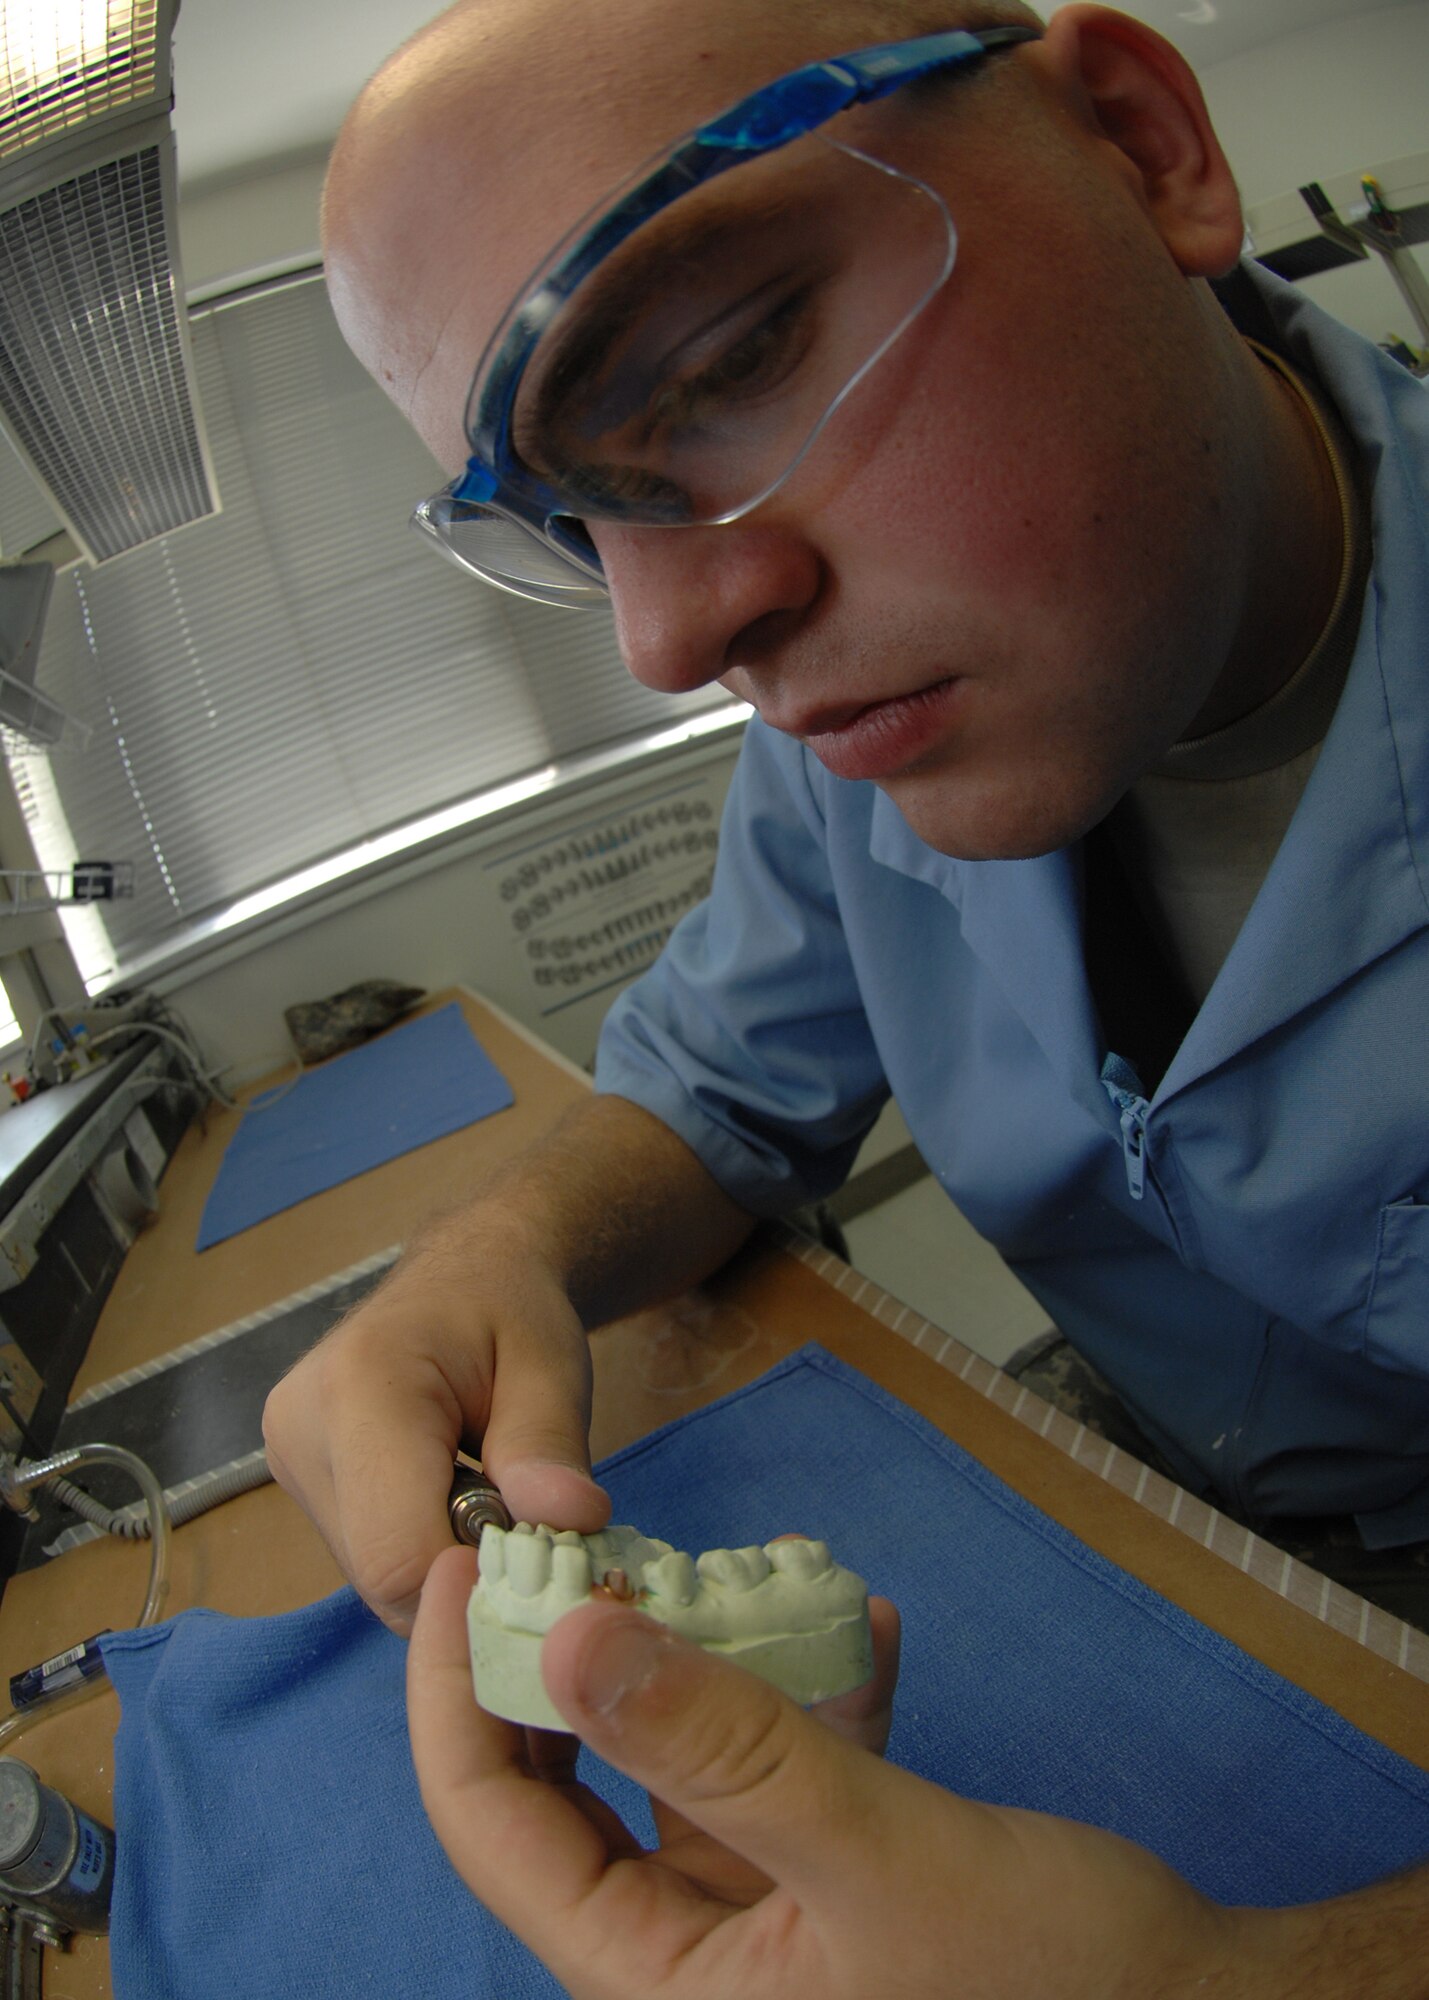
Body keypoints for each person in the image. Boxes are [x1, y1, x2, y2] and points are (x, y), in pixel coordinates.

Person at [263, 1, 1429, 1989]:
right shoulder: (852, 743)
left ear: (1144, 147)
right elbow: (711, 1095)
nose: (668, 629)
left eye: (730, 358)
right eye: (577, 522)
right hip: (1188, 1531)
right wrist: (501, 1259)